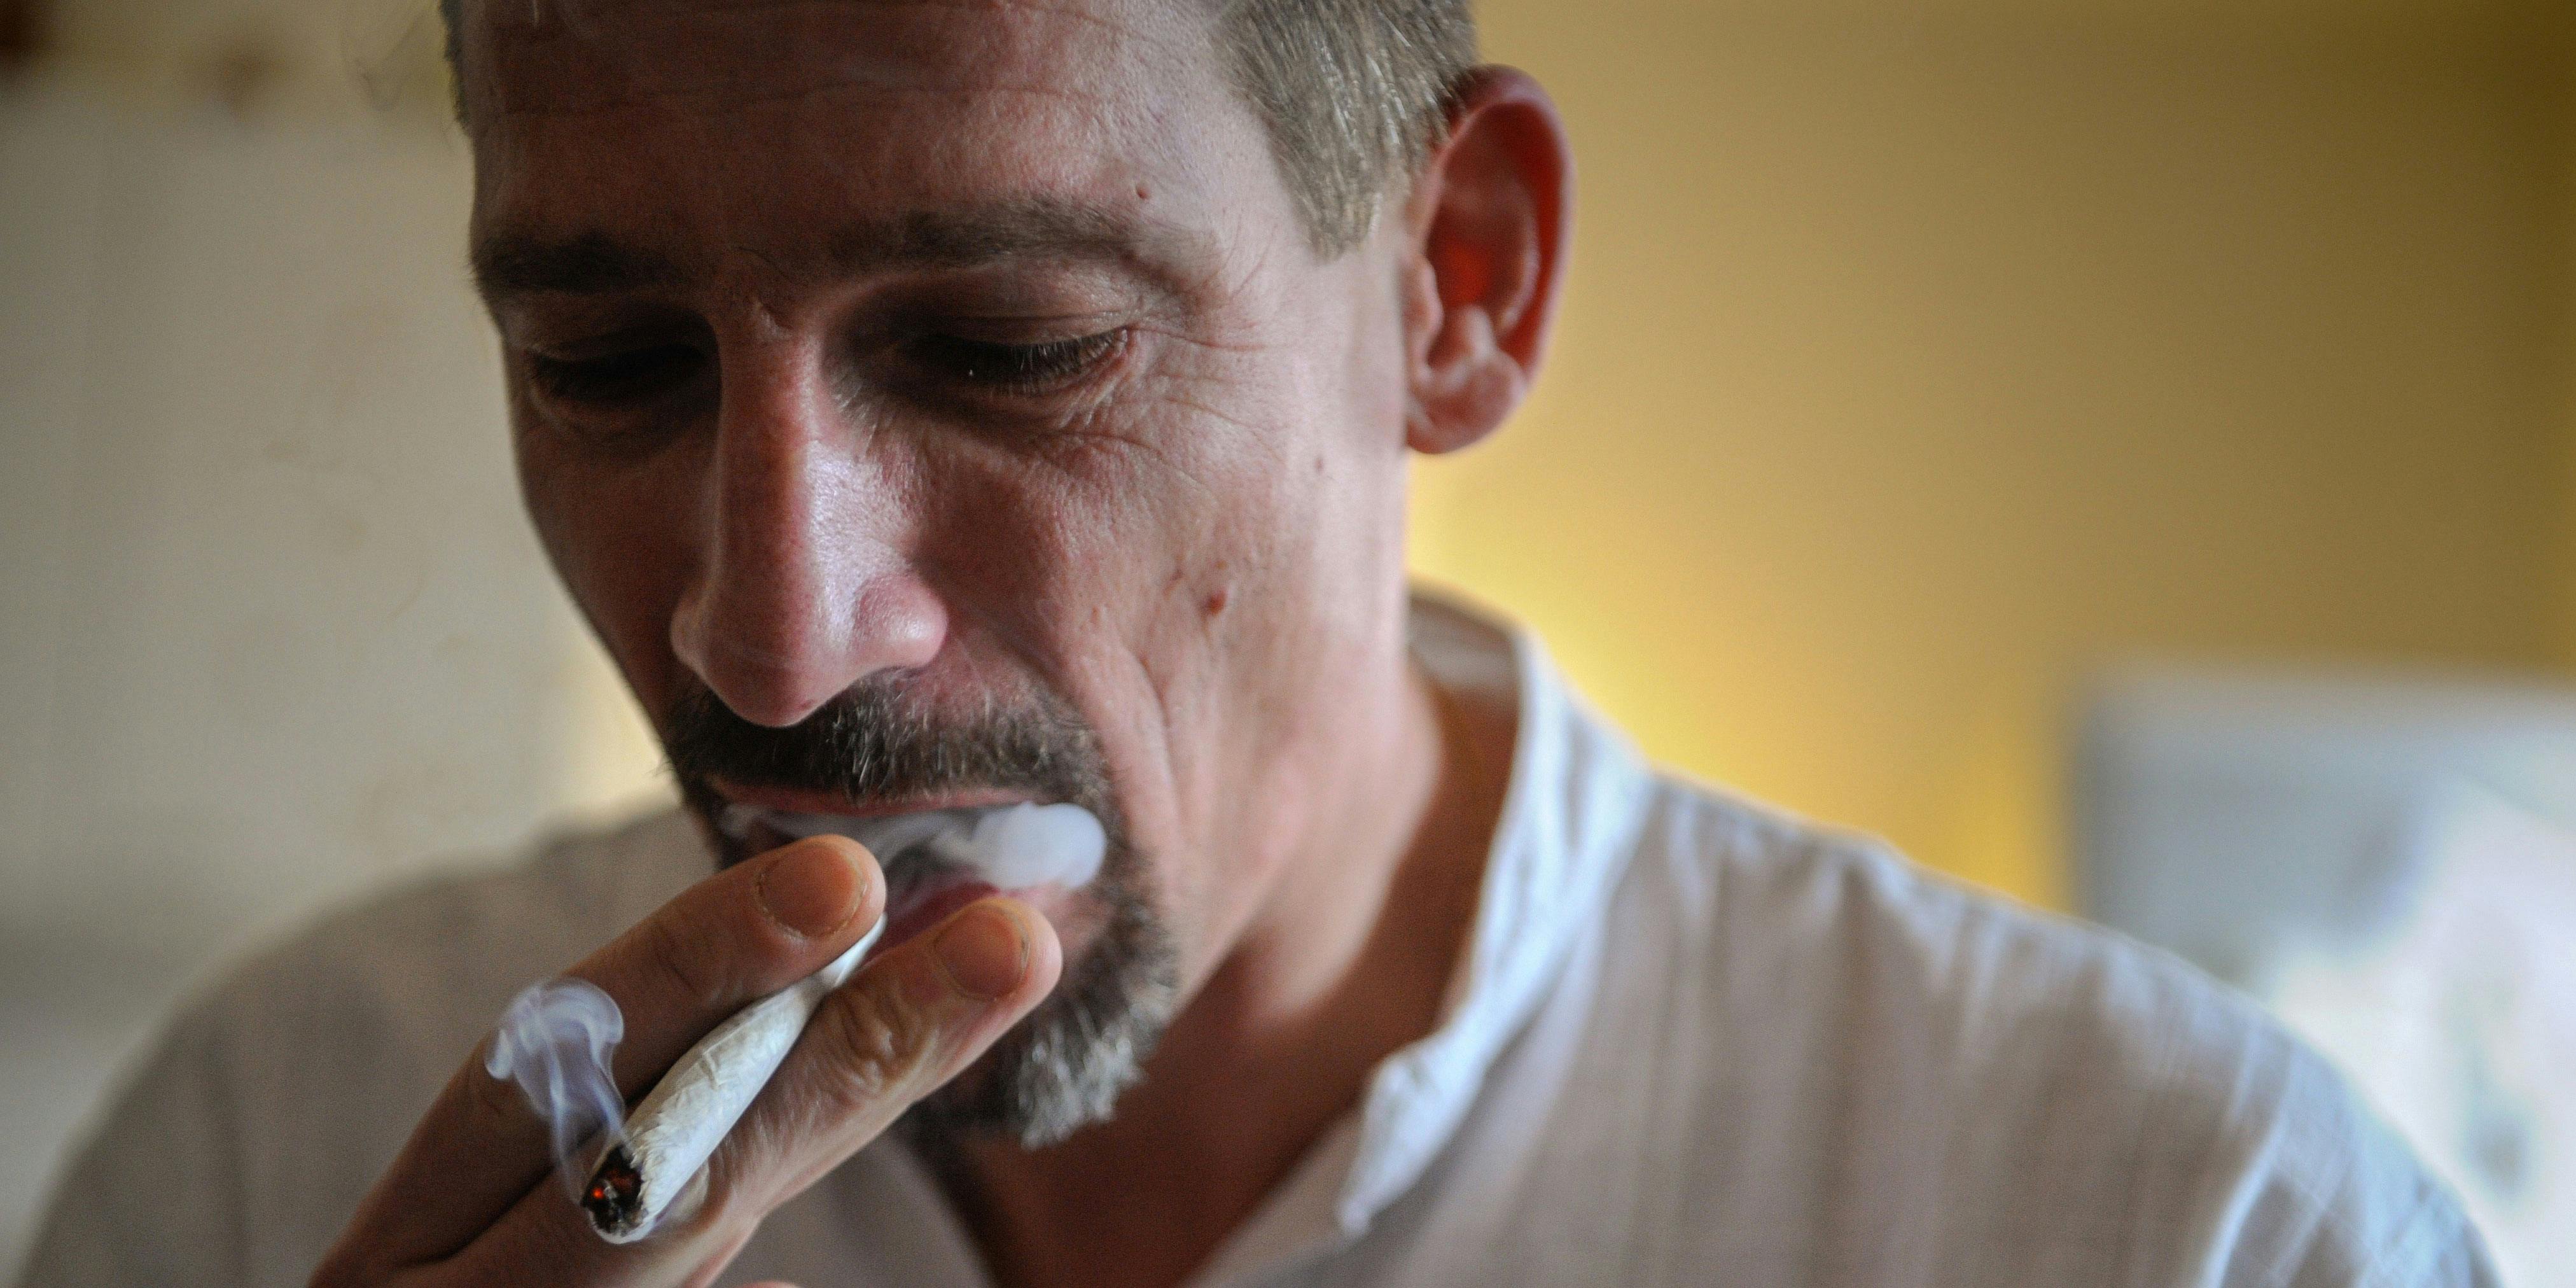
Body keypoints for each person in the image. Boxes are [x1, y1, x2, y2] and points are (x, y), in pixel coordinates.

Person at [20, 0, 2496, 1284]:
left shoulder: (2180, 1224)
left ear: (1452, 284)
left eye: (1004, 347)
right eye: (605, 365)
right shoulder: (270, 1151)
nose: (763, 642)